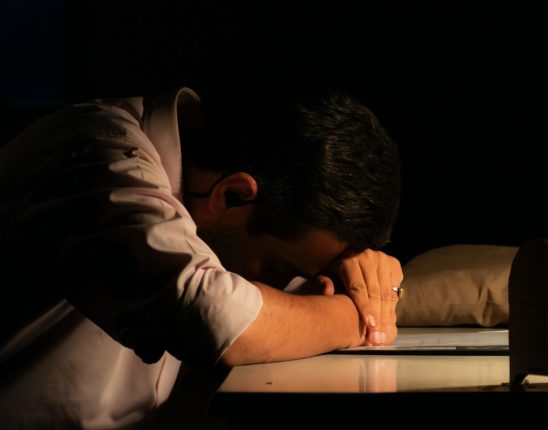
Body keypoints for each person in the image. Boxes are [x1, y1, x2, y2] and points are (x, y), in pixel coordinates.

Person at [0, 87, 403, 428]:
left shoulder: (218, 204)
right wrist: (358, 315)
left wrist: (366, 283)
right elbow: (215, 316)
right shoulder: (91, 153)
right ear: (231, 195)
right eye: (280, 269)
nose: (281, 289)